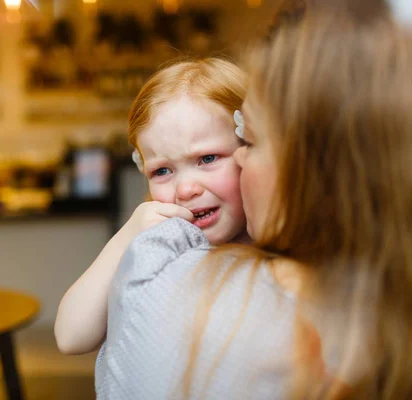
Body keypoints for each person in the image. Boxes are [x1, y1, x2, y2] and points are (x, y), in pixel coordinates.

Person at [95, 2, 412, 399]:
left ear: (318, 171)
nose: (240, 157)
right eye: (162, 170)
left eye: (250, 140)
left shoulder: (176, 296)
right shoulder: (380, 309)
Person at [55, 58, 249, 355]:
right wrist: (125, 238)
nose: (185, 189)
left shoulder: (282, 243)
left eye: (207, 159)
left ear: (251, 147)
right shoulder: (161, 247)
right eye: (162, 171)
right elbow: (71, 337)